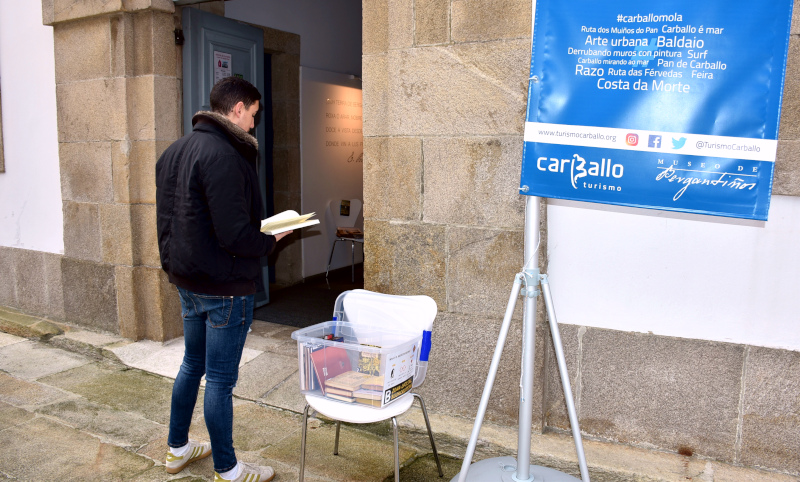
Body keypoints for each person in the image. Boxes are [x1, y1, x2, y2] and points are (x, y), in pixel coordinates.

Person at [156, 76, 288, 482]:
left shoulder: (174, 151)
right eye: (253, 113)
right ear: (236, 109)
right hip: (223, 288)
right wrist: (271, 240)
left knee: (191, 365)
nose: (253, 123)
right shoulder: (227, 156)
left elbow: (169, 220)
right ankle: (228, 469)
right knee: (218, 380)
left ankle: (177, 449)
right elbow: (234, 234)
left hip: (187, 280)